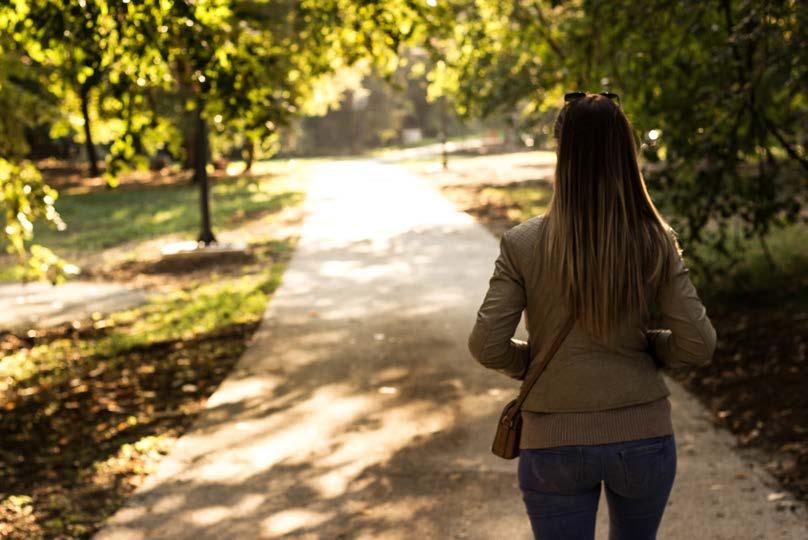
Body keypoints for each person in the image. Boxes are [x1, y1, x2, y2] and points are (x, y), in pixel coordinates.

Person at [467, 92, 717, 540]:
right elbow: (698, 344)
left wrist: (533, 362)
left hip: (552, 443)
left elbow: (487, 345)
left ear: (561, 153)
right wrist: (651, 346)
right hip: (643, 437)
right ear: (626, 152)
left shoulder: (523, 243)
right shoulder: (654, 239)